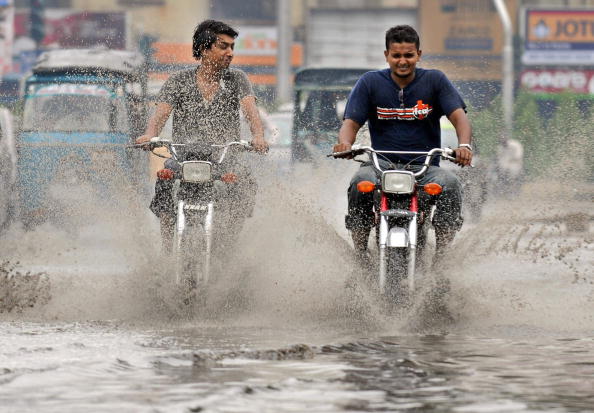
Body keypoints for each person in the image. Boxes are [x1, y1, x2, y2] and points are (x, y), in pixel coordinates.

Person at [332, 24, 473, 263]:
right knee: (359, 183)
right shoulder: (369, 83)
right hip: (381, 165)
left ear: (419, 54)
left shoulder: (435, 80)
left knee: (450, 184)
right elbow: (351, 123)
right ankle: (360, 254)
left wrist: (464, 146)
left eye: (409, 55)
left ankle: (442, 257)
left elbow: (459, 117)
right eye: (396, 55)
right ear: (386, 55)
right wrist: (345, 143)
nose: (402, 61)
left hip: (426, 168)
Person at [136, 19, 268, 248]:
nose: (230, 53)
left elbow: (250, 111)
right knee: (166, 178)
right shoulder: (179, 80)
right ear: (205, 49)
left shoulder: (237, 79)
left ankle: (228, 244)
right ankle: (169, 247)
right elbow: (159, 116)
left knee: (244, 183)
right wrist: (149, 135)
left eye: (232, 47)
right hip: (184, 158)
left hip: (225, 158)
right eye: (223, 46)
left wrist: (258, 137)